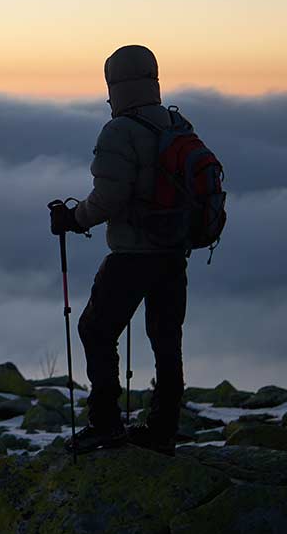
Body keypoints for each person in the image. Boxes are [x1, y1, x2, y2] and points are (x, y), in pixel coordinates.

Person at [50, 44, 188, 456]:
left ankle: (106, 424)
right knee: (166, 339)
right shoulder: (176, 123)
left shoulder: (119, 131)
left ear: (114, 83)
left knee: (95, 330)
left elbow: (109, 198)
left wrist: (74, 219)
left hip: (132, 255)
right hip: (173, 252)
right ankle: (163, 429)